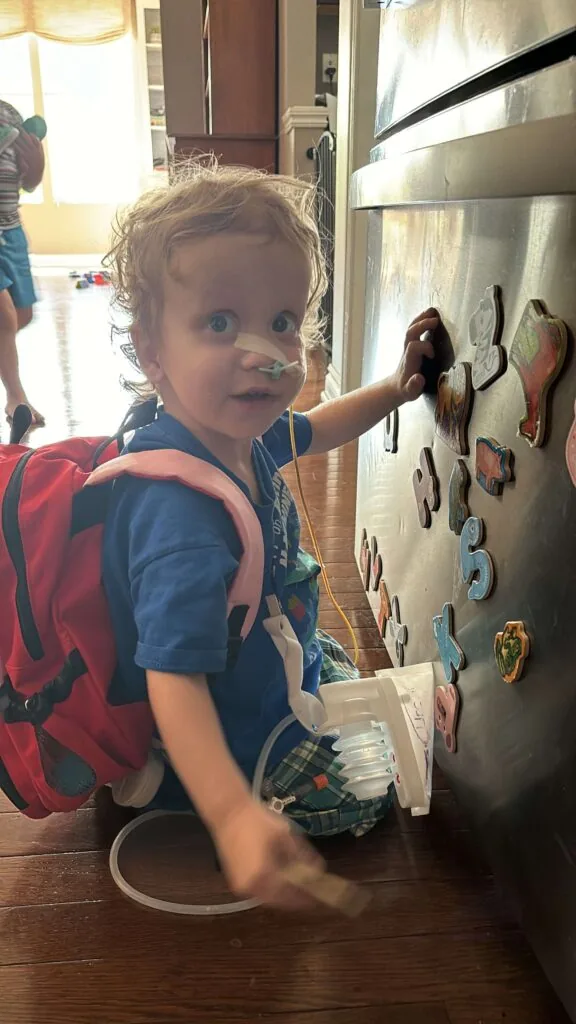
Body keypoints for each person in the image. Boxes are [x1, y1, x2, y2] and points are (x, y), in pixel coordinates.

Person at [102, 161, 439, 910]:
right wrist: (231, 816)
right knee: (366, 795)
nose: (263, 353)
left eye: (281, 322)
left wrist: (395, 386)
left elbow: (320, 427)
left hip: (259, 648)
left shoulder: (239, 430)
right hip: (218, 718)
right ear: (153, 352)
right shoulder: (182, 521)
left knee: (338, 661)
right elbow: (174, 677)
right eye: (220, 323)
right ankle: (172, 780)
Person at [0, 99, 45, 427]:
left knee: (22, 315)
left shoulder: (8, 112)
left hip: (11, 228)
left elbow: (29, 182)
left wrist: (37, 162)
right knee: (4, 318)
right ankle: (17, 398)